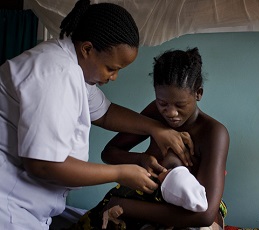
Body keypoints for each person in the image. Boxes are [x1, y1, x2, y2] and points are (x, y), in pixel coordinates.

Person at [0, 1, 194, 229]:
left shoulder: (72, 66)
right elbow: (42, 164)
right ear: (87, 49)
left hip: (28, 204)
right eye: (111, 68)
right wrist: (120, 173)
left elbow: (105, 112)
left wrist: (156, 128)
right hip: (9, 204)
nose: (114, 77)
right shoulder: (57, 73)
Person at [73, 47, 230, 229]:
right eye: (162, 103)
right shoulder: (156, 114)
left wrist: (124, 206)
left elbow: (205, 215)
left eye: (180, 105)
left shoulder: (213, 133)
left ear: (198, 93)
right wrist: (140, 159)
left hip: (184, 213)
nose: (171, 113)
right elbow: (109, 153)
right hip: (145, 199)